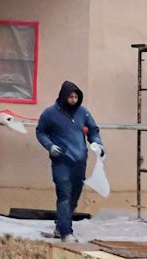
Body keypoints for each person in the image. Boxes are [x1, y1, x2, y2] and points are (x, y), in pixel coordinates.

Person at [36, 81, 105, 242]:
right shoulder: (50, 114)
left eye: (76, 97)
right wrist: (50, 146)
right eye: (70, 97)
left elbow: (93, 130)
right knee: (64, 195)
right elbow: (40, 132)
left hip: (79, 161)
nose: (73, 100)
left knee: (74, 196)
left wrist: (98, 144)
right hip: (61, 160)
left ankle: (60, 227)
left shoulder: (83, 113)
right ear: (63, 96)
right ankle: (67, 233)